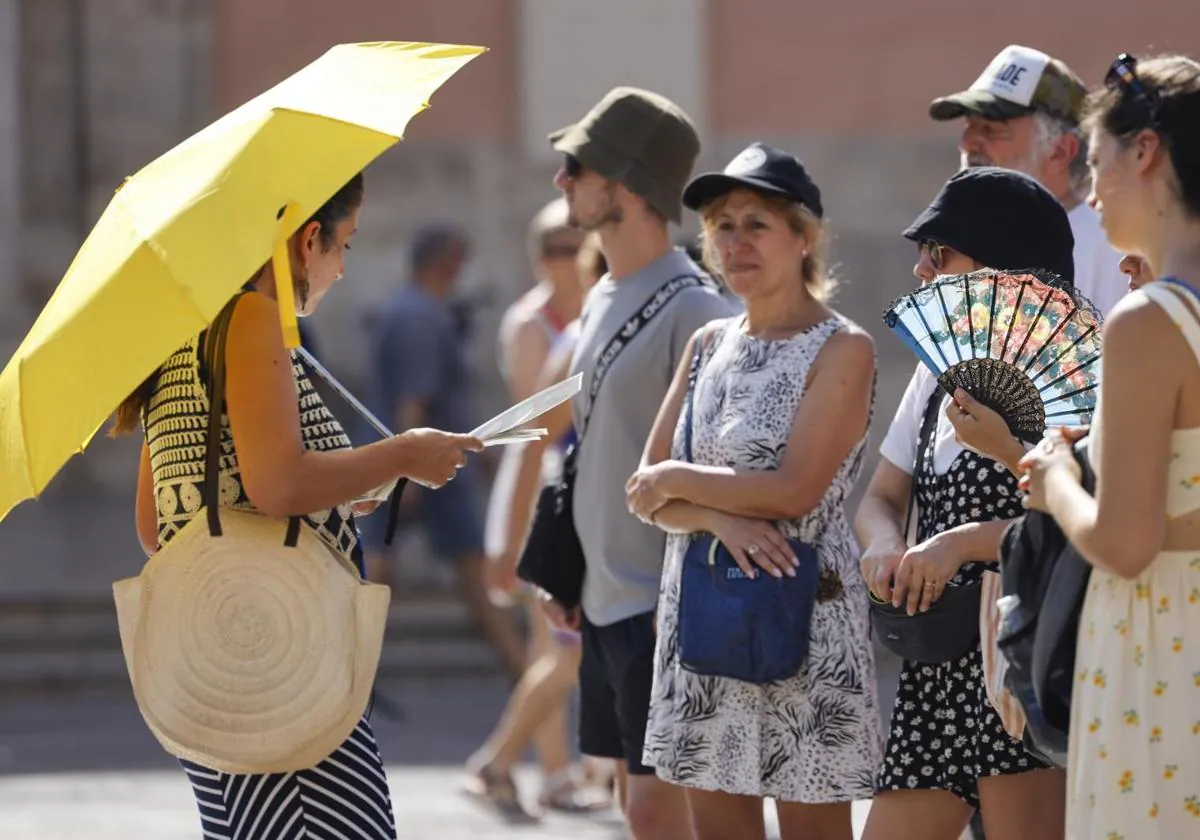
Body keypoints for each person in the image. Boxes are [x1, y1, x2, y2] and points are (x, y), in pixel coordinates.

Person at [111, 173, 483, 840]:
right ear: (308, 238)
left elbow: (158, 524)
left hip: (210, 666)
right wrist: (401, 455)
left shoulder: (178, 338)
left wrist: (337, 497)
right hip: (283, 663)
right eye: (344, 246)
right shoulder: (250, 318)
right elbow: (277, 486)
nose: (342, 269)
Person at [626, 143, 881, 840]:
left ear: (804, 238)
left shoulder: (842, 347)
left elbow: (794, 490)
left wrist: (680, 483)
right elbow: (642, 494)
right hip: (704, 616)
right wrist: (719, 519)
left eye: (757, 223)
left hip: (804, 617)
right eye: (722, 224)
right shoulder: (707, 342)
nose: (735, 241)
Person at [537, 87, 737, 840]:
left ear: (621, 182)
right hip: (608, 602)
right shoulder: (604, 295)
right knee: (635, 808)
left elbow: (723, 465)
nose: (561, 182)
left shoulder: (697, 309)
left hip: (667, 609)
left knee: (659, 814)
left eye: (575, 166)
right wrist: (573, 573)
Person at [854, 167, 1075, 840]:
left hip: (1023, 660)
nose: (921, 270)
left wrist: (959, 542)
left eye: (940, 252)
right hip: (937, 666)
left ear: (998, 257)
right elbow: (880, 498)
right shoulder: (934, 368)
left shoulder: (1066, 364)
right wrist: (886, 545)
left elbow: (1083, 514)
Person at [1020, 52, 1200, 840]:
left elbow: (1126, 544)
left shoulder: (1149, 323)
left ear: (1147, 150)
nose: (1091, 192)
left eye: (1097, 161)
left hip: (1161, 649)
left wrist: (1057, 474)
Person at [463, 198, 598, 817]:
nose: (578, 259)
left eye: (583, 246)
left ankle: (557, 771)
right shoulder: (531, 325)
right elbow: (529, 430)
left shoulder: (586, 320)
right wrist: (509, 536)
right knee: (561, 647)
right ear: (545, 258)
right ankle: (509, 761)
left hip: (573, 496)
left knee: (559, 648)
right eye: (566, 248)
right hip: (547, 495)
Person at [361, 222, 526, 680]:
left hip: (423, 459)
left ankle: (522, 670)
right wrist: (407, 472)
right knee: (387, 567)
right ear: (447, 263)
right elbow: (413, 398)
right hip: (425, 463)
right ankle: (522, 669)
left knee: (397, 564)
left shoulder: (411, 311)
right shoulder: (419, 317)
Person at [930, 44, 1127, 317]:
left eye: (990, 129)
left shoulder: (1111, 251)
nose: (966, 143)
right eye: (969, 126)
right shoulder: (967, 246)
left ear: (1059, 152)